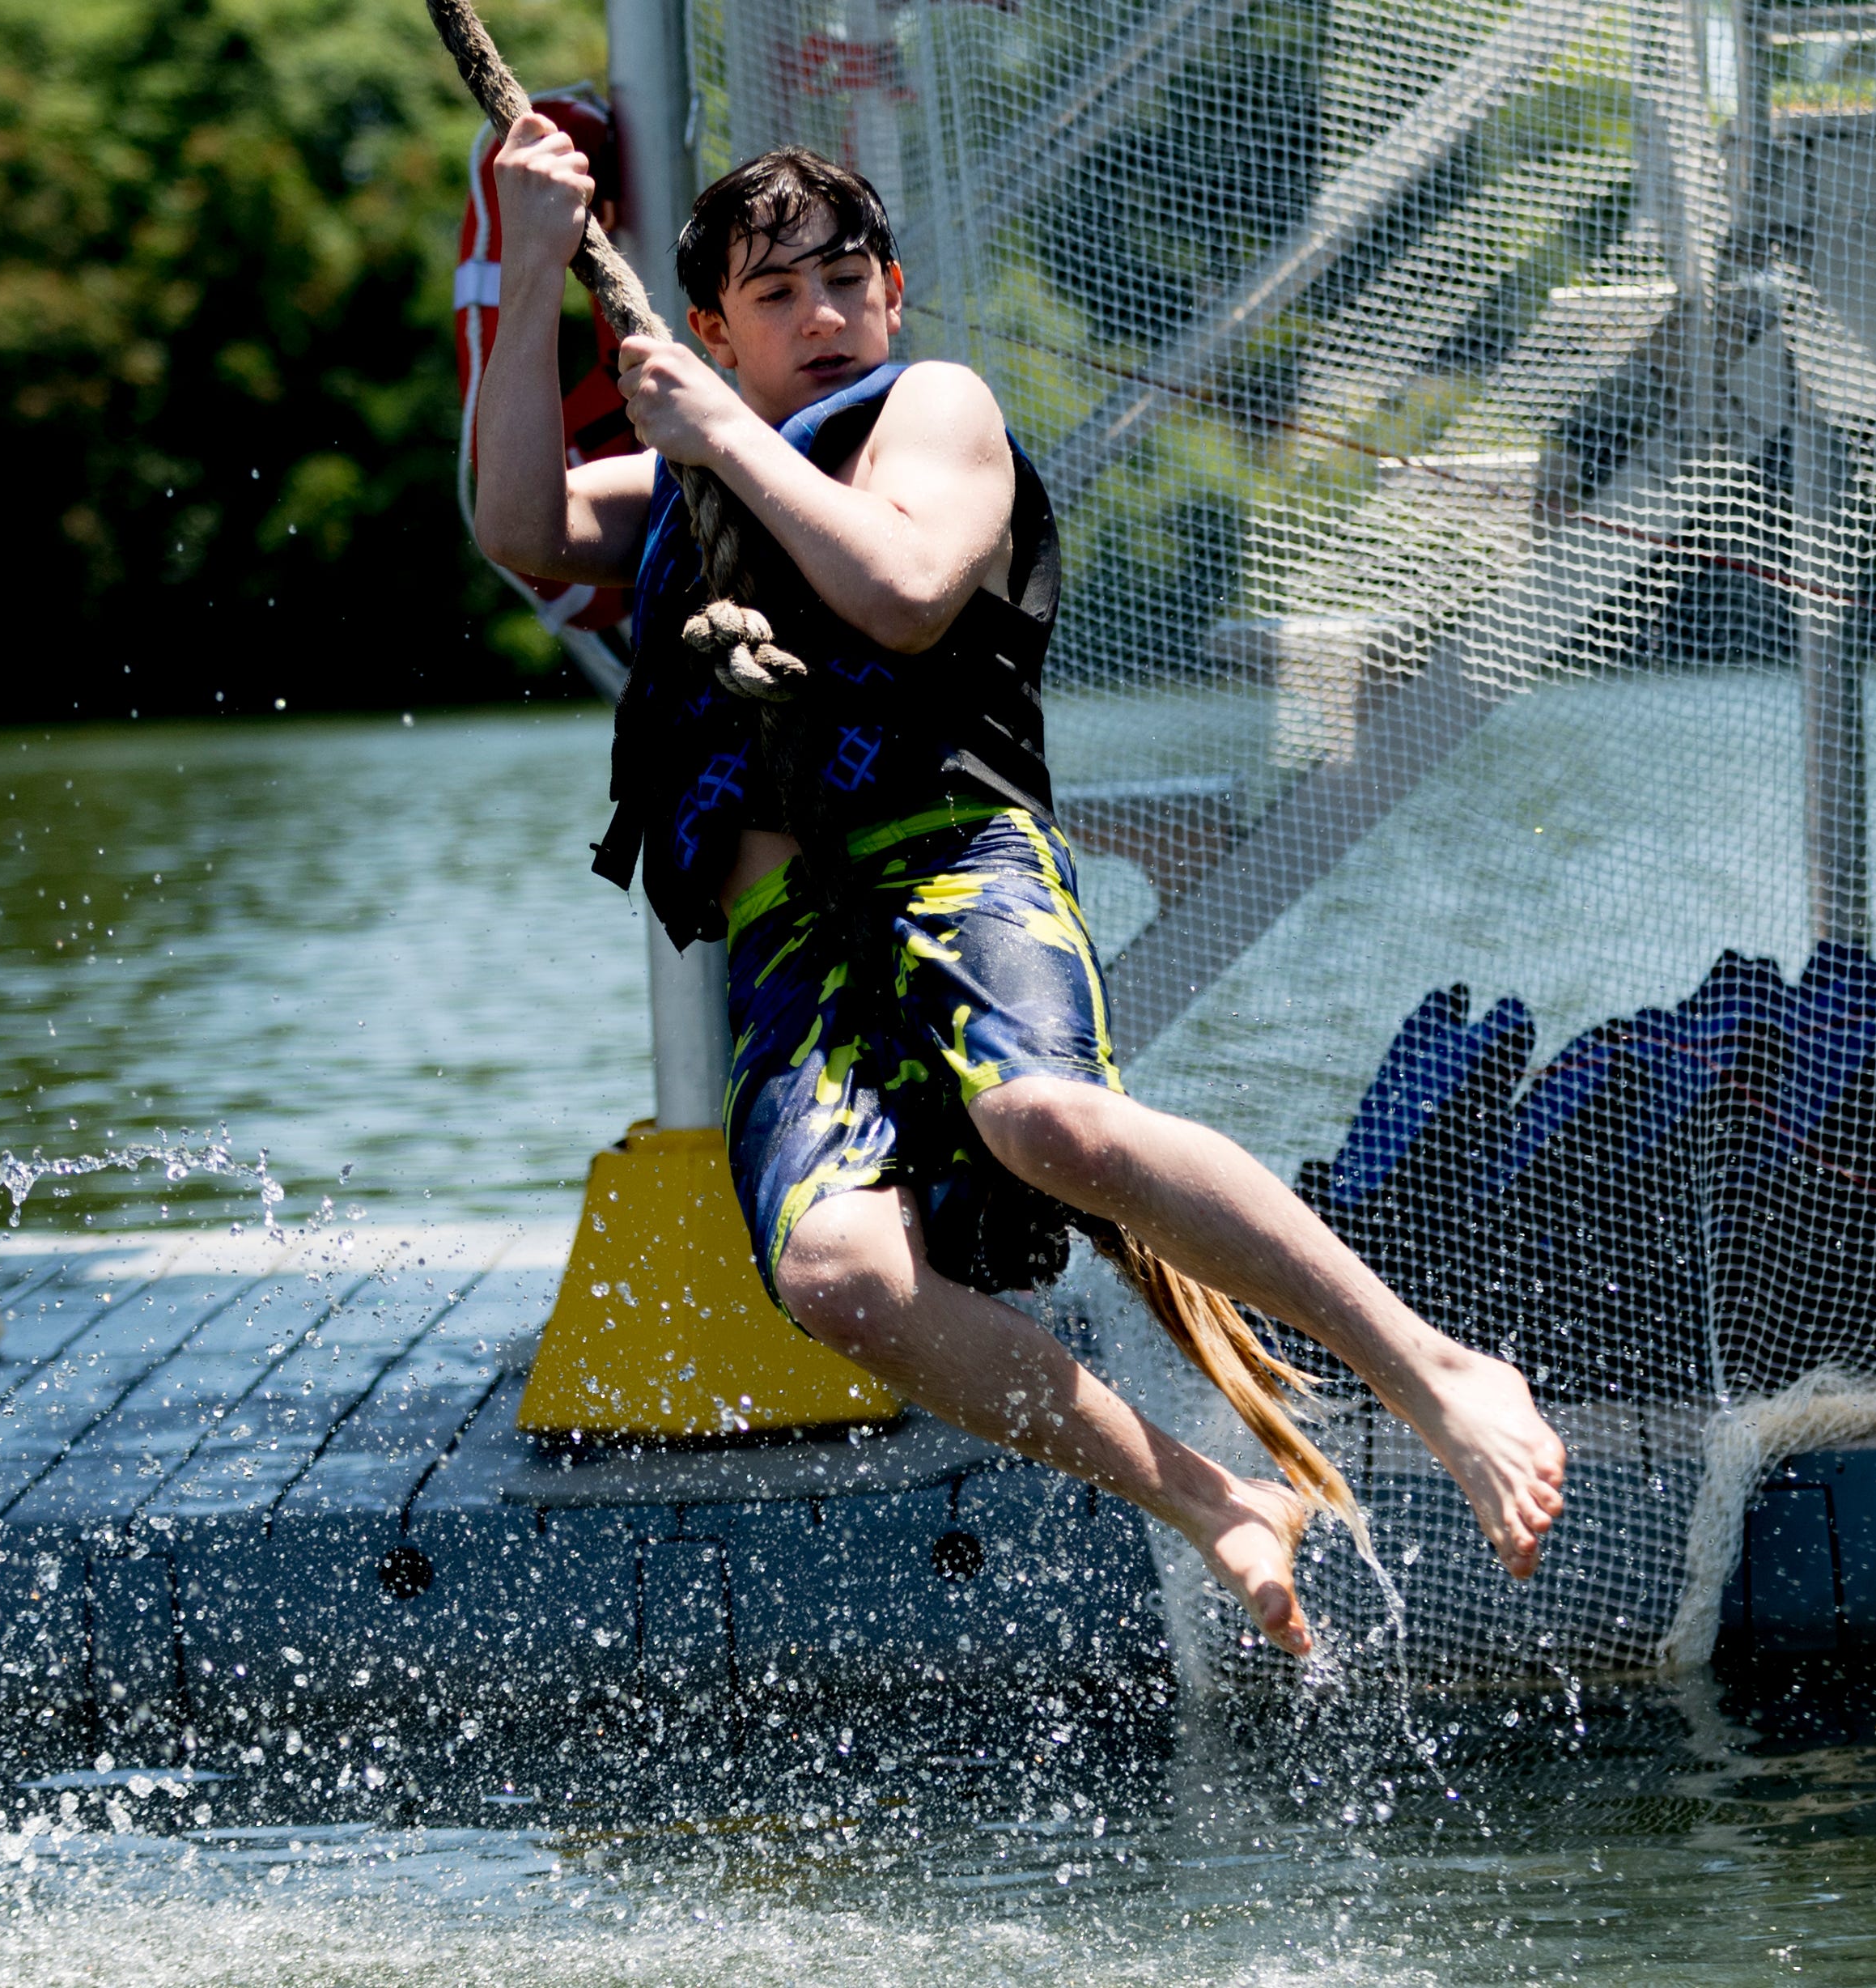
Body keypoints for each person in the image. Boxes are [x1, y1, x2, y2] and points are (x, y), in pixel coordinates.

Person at [471, 123, 1566, 1655]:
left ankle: (1439, 1372)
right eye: (775, 297)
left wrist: (721, 436)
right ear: (707, 325)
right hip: (794, 925)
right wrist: (532, 277)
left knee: (1044, 1122)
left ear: (897, 294)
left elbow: (909, 597)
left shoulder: (928, 412)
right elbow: (518, 527)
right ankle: (1214, 1499)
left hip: (951, 856)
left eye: (847, 281)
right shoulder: (694, 475)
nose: (821, 317)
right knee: (836, 1273)